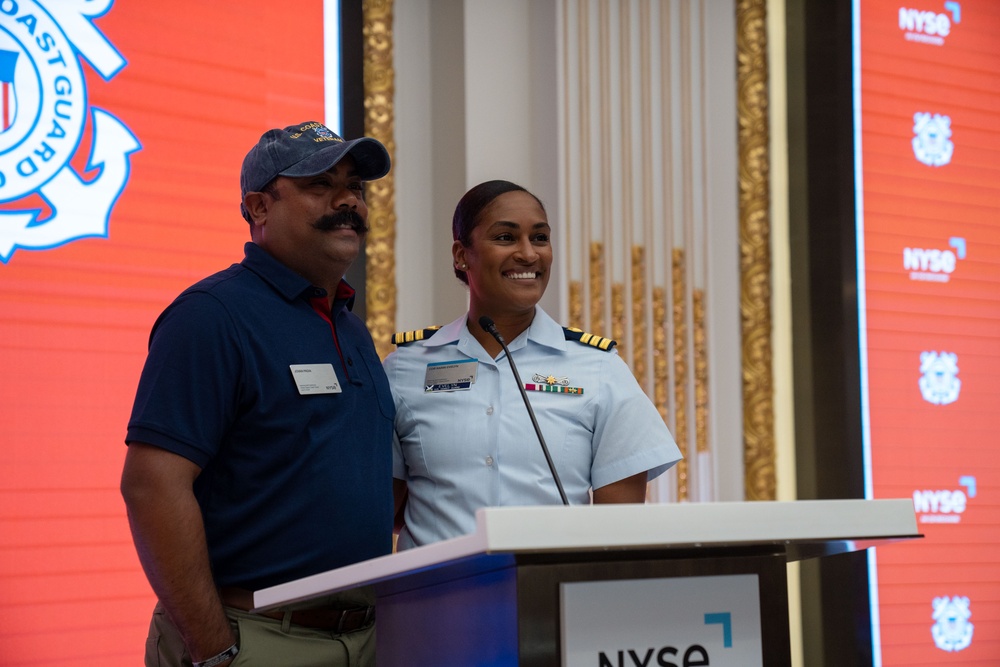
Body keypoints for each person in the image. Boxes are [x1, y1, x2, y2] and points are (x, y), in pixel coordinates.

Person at [121, 121, 395, 667]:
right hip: (257, 639)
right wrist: (214, 648)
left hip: (362, 639)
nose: (348, 202)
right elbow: (152, 487)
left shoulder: (349, 324)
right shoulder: (211, 316)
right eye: (321, 185)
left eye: (356, 189)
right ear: (259, 207)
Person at [384, 179, 683, 550]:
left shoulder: (598, 368)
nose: (529, 254)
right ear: (462, 255)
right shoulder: (406, 368)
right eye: (506, 238)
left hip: (547, 598)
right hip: (433, 599)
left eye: (540, 238)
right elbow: (386, 510)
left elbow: (618, 529)